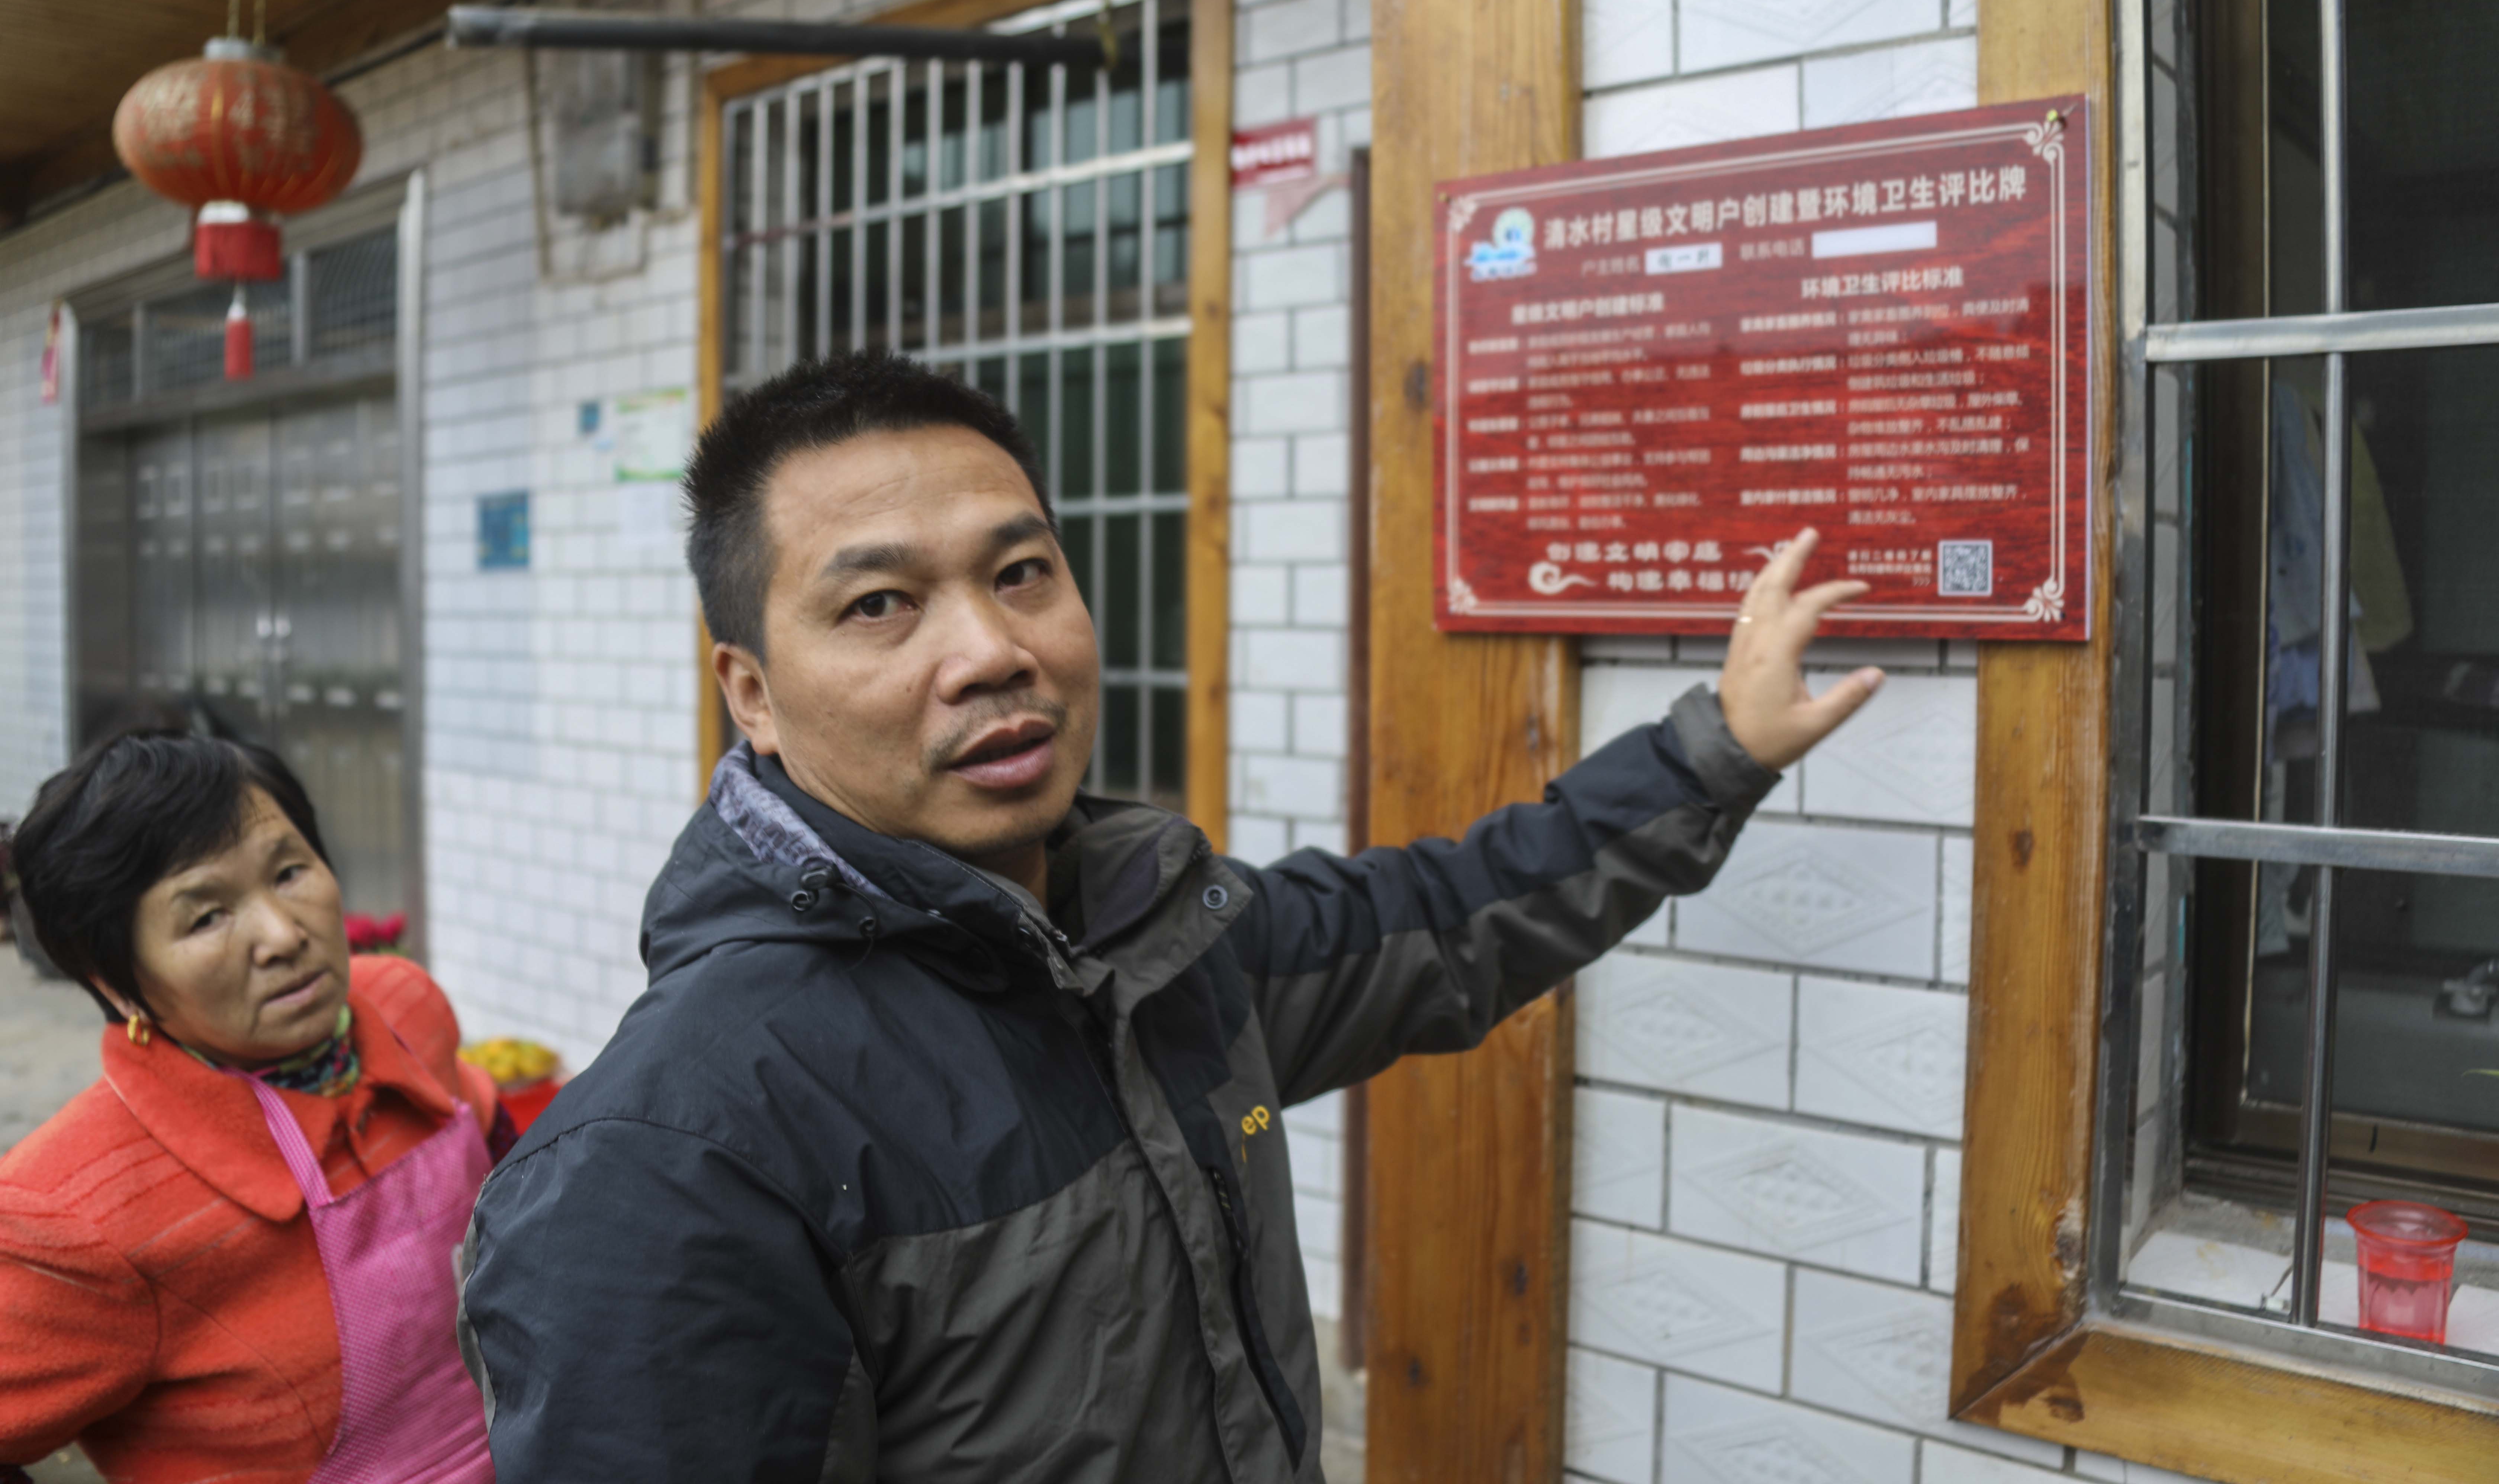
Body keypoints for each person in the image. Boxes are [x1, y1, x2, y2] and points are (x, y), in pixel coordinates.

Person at [456, 350, 1884, 1483]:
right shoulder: (676, 1155)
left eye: (1022, 574)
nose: (994, 652)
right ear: (751, 694)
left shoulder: (1164, 941)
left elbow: (1453, 915)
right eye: (882, 605)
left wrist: (1715, 751)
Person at [0, 732, 506, 1484]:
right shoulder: (75, 1212)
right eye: (206, 916)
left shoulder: (406, 1008)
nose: (283, 934)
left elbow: (506, 1155)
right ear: (116, 981)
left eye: (291, 870)